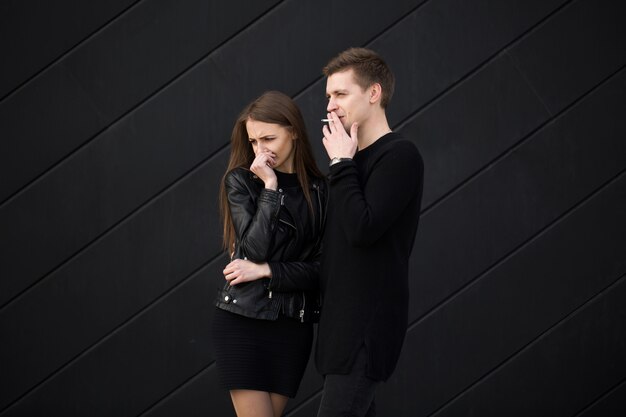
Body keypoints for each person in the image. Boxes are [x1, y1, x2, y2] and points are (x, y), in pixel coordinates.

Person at [316, 48, 424, 416]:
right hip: (338, 335)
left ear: (374, 93)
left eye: (340, 94)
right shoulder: (347, 161)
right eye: (328, 95)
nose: (330, 105)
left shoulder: (399, 155)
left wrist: (341, 163)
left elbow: (363, 228)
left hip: (365, 333)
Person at [212, 91, 327, 417]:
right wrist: (270, 188)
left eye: (269, 138)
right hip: (242, 320)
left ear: (293, 131)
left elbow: (322, 270)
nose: (261, 150)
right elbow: (253, 249)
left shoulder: (321, 191)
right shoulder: (242, 182)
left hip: (292, 327)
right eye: (253, 141)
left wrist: (268, 272)